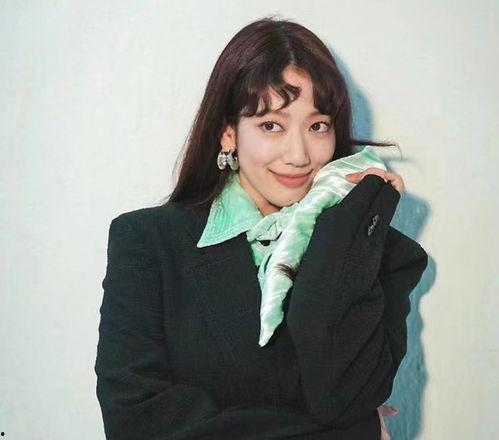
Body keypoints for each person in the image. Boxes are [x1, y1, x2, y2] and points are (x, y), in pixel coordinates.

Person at [94, 16, 428, 440]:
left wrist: (351, 221)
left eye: (318, 126)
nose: (299, 155)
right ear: (228, 133)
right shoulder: (148, 243)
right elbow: (135, 421)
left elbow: (344, 397)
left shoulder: (373, 249)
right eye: (272, 125)